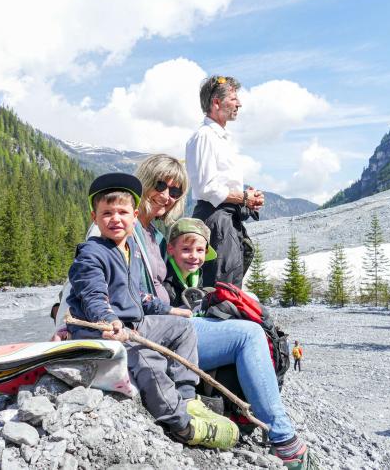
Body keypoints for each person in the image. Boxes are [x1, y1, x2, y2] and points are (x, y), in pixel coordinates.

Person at [133, 155, 313, 470]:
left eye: (175, 191)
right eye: (159, 184)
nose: (166, 195)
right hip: (155, 329)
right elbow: (95, 266)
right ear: (144, 181)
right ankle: (284, 440)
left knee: (246, 323)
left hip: (167, 325)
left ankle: (254, 418)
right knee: (249, 335)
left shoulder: (153, 233)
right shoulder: (126, 225)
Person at [65, 172, 238, 450]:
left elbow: (138, 296)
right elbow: (93, 296)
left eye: (122, 212)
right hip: (103, 331)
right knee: (149, 360)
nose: (115, 219)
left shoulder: (128, 249)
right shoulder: (91, 254)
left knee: (183, 328)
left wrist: (170, 310)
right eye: (106, 213)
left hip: (133, 324)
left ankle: (187, 397)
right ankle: (182, 424)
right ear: (93, 218)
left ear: (134, 216)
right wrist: (109, 321)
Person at [185, 75, 265, 288]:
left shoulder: (219, 137)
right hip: (216, 218)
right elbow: (206, 188)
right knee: (221, 286)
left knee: (230, 280)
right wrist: (244, 198)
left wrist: (245, 197)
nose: (239, 103)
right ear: (216, 102)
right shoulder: (205, 136)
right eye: (233, 98)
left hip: (225, 218)